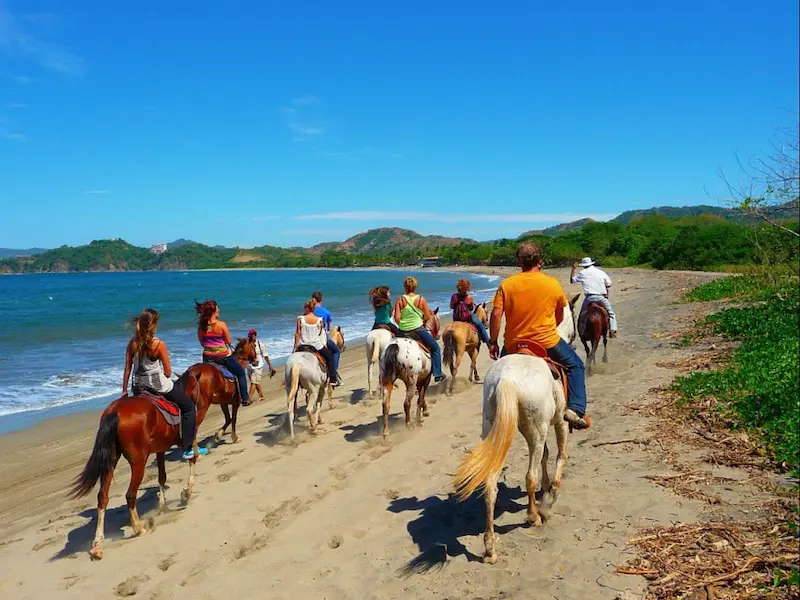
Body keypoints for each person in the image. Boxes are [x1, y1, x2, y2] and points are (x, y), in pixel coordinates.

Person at [488, 243, 590, 430]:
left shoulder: (507, 284)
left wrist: (493, 342)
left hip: (513, 344)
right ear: (540, 260)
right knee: (576, 365)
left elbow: (495, 315)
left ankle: (492, 413)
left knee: (496, 376)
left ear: (519, 262)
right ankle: (575, 409)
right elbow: (560, 314)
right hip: (547, 341)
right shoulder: (552, 284)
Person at [122, 308, 208, 459]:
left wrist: (124, 391)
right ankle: (187, 448)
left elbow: (127, 369)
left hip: (138, 386)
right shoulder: (158, 344)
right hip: (158, 385)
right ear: (153, 325)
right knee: (188, 407)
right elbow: (168, 372)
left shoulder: (132, 343)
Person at [195, 300, 251, 406]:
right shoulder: (221, 325)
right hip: (222, 357)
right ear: (214, 311)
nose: (219, 310)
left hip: (207, 358)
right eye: (218, 308)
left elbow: (202, 342)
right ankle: (245, 398)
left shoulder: (201, 327)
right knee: (240, 373)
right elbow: (229, 341)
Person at [393, 276, 445, 383]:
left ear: (405, 287)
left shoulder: (400, 299)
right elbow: (428, 317)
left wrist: (403, 324)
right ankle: (437, 374)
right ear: (415, 287)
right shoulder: (421, 299)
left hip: (403, 331)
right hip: (418, 330)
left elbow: (396, 318)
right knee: (435, 348)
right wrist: (420, 320)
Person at [570, 257, 618, 337]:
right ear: (591, 263)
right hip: (601, 297)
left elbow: (572, 280)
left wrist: (573, 269)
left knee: (582, 315)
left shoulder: (582, 273)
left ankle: (581, 332)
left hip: (589, 298)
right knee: (611, 314)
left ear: (584, 265)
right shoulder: (600, 272)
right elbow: (608, 284)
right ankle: (613, 330)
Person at [294, 301, 339, 383]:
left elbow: (298, 334)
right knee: (329, 357)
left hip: (303, 344)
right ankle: (333, 378)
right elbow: (320, 334)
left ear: (306, 308)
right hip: (316, 345)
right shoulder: (319, 320)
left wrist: (295, 347)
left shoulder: (300, 319)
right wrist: (324, 344)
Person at [311, 291, 342, 386]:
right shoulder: (326, 312)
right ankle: (334, 373)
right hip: (320, 338)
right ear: (321, 299)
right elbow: (328, 328)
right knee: (336, 351)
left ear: (313, 299)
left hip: (308, 337)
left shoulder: (309, 311)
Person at [450, 278, 491, 345]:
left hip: (456, 318)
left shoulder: (454, 296)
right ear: (467, 288)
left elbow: (451, 307)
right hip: (467, 317)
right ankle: (489, 344)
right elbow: (471, 309)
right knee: (480, 325)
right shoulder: (469, 297)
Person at [246, 328, 276, 402]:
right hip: (249, 367)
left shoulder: (260, 344)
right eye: (250, 336)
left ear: (255, 335)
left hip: (258, 366)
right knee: (255, 382)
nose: (251, 337)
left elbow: (265, 355)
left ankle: (248, 398)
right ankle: (261, 395)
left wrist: (270, 365)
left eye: (253, 335)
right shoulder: (247, 345)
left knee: (254, 382)